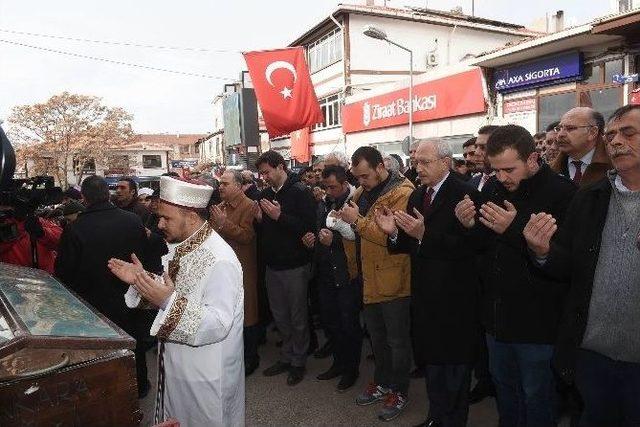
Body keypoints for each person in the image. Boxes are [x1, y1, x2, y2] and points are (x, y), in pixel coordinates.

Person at [524, 104, 640, 426]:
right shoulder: (589, 197)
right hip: (592, 355)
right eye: (612, 135)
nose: (616, 141)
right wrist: (544, 251)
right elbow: (568, 266)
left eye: (628, 133)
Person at [454, 125, 577, 426]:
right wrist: (468, 227)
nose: (502, 177)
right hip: (496, 323)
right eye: (496, 170)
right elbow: (482, 249)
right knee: (506, 396)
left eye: (510, 169)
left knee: (538, 400)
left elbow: (567, 264)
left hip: (538, 328)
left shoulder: (564, 193)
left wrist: (516, 230)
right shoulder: (493, 188)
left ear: (533, 158)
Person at [109, 175, 244, 426]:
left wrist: (168, 301)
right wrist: (142, 279)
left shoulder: (220, 259)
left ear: (191, 217)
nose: (159, 224)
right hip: (177, 366)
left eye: (166, 218)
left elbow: (218, 323)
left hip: (205, 374)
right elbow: (175, 292)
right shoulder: (182, 246)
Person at [378, 139, 480, 427]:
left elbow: (472, 248)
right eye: (415, 162)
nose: (417, 168)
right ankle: (436, 417)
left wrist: (425, 235)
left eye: (425, 162)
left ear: (446, 162)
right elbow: (409, 244)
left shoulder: (466, 194)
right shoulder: (418, 195)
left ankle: (453, 421)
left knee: (456, 371)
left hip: (455, 299)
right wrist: (394, 234)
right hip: (424, 297)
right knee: (433, 366)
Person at [54, 176, 151, 398]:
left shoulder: (75, 228)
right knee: (133, 344)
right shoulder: (132, 221)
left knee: (103, 352)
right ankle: (139, 386)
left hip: (93, 303)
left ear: (85, 198)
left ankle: (109, 395)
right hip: (129, 296)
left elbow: (64, 271)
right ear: (107, 195)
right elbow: (143, 256)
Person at [340, 146, 414, 422]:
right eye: (358, 177)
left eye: (365, 176)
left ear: (381, 166)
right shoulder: (363, 192)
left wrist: (356, 221)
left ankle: (400, 390)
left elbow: (389, 237)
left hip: (394, 279)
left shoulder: (403, 193)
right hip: (370, 277)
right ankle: (383, 383)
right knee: (378, 339)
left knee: (397, 341)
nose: (361, 182)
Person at [254, 151, 317, 386]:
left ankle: (298, 362)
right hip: (273, 266)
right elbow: (263, 232)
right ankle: (287, 356)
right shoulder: (265, 194)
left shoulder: (301, 192)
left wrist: (280, 216)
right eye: (261, 173)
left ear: (281, 167)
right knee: (280, 316)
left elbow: (309, 228)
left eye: (267, 172)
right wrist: (260, 220)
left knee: (298, 317)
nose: (264, 177)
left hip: (295, 266)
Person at [302, 165, 362, 392]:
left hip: (347, 275)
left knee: (349, 325)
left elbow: (360, 236)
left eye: (333, 187)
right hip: (325, 273)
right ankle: (338, 363)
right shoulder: (324, 202)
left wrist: (333, 241)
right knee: (331, 322)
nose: (328, 191)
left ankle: (351, 370)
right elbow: (319, 230)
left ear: (345, 184)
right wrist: (313, 240)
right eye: (325, 187)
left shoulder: (355, 203)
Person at [211, 170, 261, 376]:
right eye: (220, 184)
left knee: (247, 312)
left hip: (242, 266)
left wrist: (224, 224)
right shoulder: (219, 207)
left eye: (225, 184)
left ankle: (251, 358)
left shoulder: (250, 206)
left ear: (239, 186)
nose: (220, 187)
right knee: (226, 310)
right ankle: (233, 355)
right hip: (221, 268)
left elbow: (247, 236)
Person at [551, 107, 612, 186]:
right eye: (559, 129)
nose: (560, 135)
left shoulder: (615, 167)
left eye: (570, 128)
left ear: (592, 132)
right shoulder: (550, 170)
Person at [469, 126, 500, 192]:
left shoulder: (507, 183)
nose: (476, 152)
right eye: (476, 147)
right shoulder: (472, 182)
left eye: (483, 147)